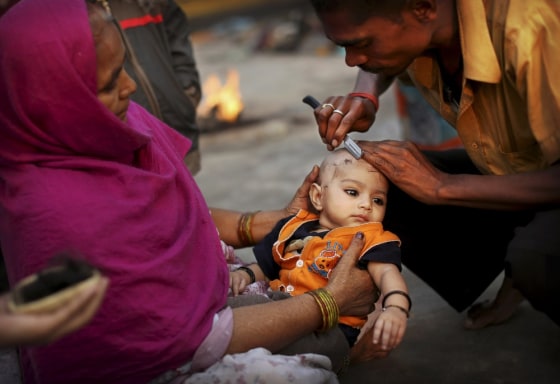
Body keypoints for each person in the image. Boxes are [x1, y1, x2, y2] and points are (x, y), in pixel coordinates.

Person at [0, 1, 377, 383]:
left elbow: (175, 213)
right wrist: (329, 301)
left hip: (194, 323)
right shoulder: (55, 211)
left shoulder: (113, 124)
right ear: (57, 96)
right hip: (162, 359)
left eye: (124, 67)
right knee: (317, 358)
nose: (130, 86)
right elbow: (190, 339)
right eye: (111, 81)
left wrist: (268, 223)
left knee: (311, 324)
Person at [307, 0, 560, 330]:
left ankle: (529, 262)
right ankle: (519, 265)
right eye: (344, 46)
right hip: (518, 168)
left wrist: (442, 186)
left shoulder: (529, 29)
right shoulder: (431, 27)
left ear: (423, 8)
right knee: (369, 182)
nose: (352, 60)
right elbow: (377, 65)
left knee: (538, 261)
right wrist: (364, 97)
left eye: (361, 44)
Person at [230, 148, 410, 371]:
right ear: (318, 196)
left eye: (378, 200)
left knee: (282, 347)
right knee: (239, 309)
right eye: (353, 192)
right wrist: (244, 274)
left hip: (329, 332)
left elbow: (386, 273)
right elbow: (267, 266)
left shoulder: (371, 238)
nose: (367, 205)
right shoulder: (293, 226)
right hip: (277, 306)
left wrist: (396, 308)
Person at [108, 0, 203, 174]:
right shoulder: (78, 12)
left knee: (187, 199)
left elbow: (179, 44)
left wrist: (187, 94)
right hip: (129, 150)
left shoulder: (153, 3)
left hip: (178, 132)